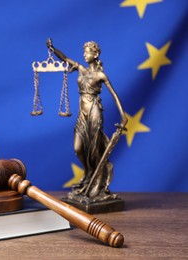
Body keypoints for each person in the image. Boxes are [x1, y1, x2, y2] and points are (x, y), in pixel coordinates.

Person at [46, 38, 127, 201]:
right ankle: (89, 172)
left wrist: (123, 116)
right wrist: (52, 49)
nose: (84, 55)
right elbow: (66, 59)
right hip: (82, 114)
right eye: (83, 52)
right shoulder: (82, 70)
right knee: (78, 148)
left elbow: (114, 95)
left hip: (95, 112)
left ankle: (97, 184)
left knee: (95, 150)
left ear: (95, 54)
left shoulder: (100, 75)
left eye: (87, 52)